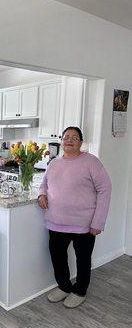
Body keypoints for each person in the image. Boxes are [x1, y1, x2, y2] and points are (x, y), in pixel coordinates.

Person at [38, 127, 112, 308]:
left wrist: (98, 221)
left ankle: (80, 290)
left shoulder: (91, 162)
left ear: (81, 142)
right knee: (57, 257)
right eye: (66, 137)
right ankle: (64, 286)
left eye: (74, 137)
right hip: (56, 221)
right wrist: (41, 195)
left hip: (84, 224)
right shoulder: (54, 162)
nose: (69, 140)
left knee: (83, 260)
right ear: (62, 141)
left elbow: (105, 189)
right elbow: (44, 184)